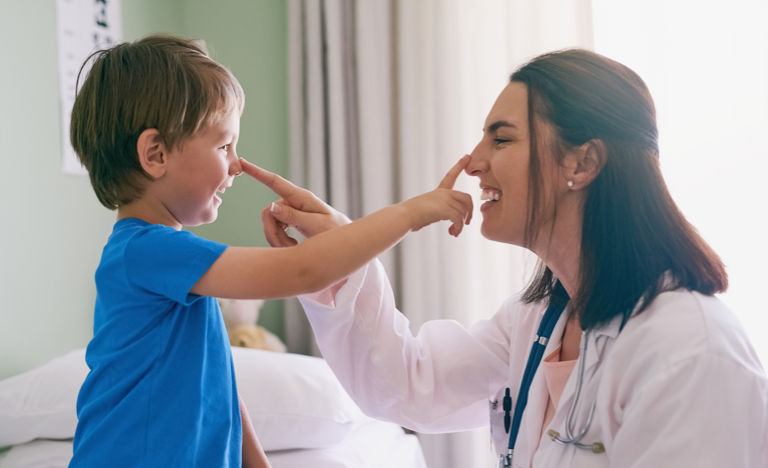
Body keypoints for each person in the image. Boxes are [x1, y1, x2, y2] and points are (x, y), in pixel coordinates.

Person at [259, 48, 768, 467]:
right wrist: (337, 252)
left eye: (501, 138)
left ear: (583, 162)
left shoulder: (691, 354)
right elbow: (407, 385)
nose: (474, 163)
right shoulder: (538, 321)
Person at [68, 34, 472, 468]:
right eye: (224, 146)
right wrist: (410, 213)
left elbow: (215, 386)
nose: (237, 164)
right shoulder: (147, 252)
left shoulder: (167, 258)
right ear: (155, 153)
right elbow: (303, 271)